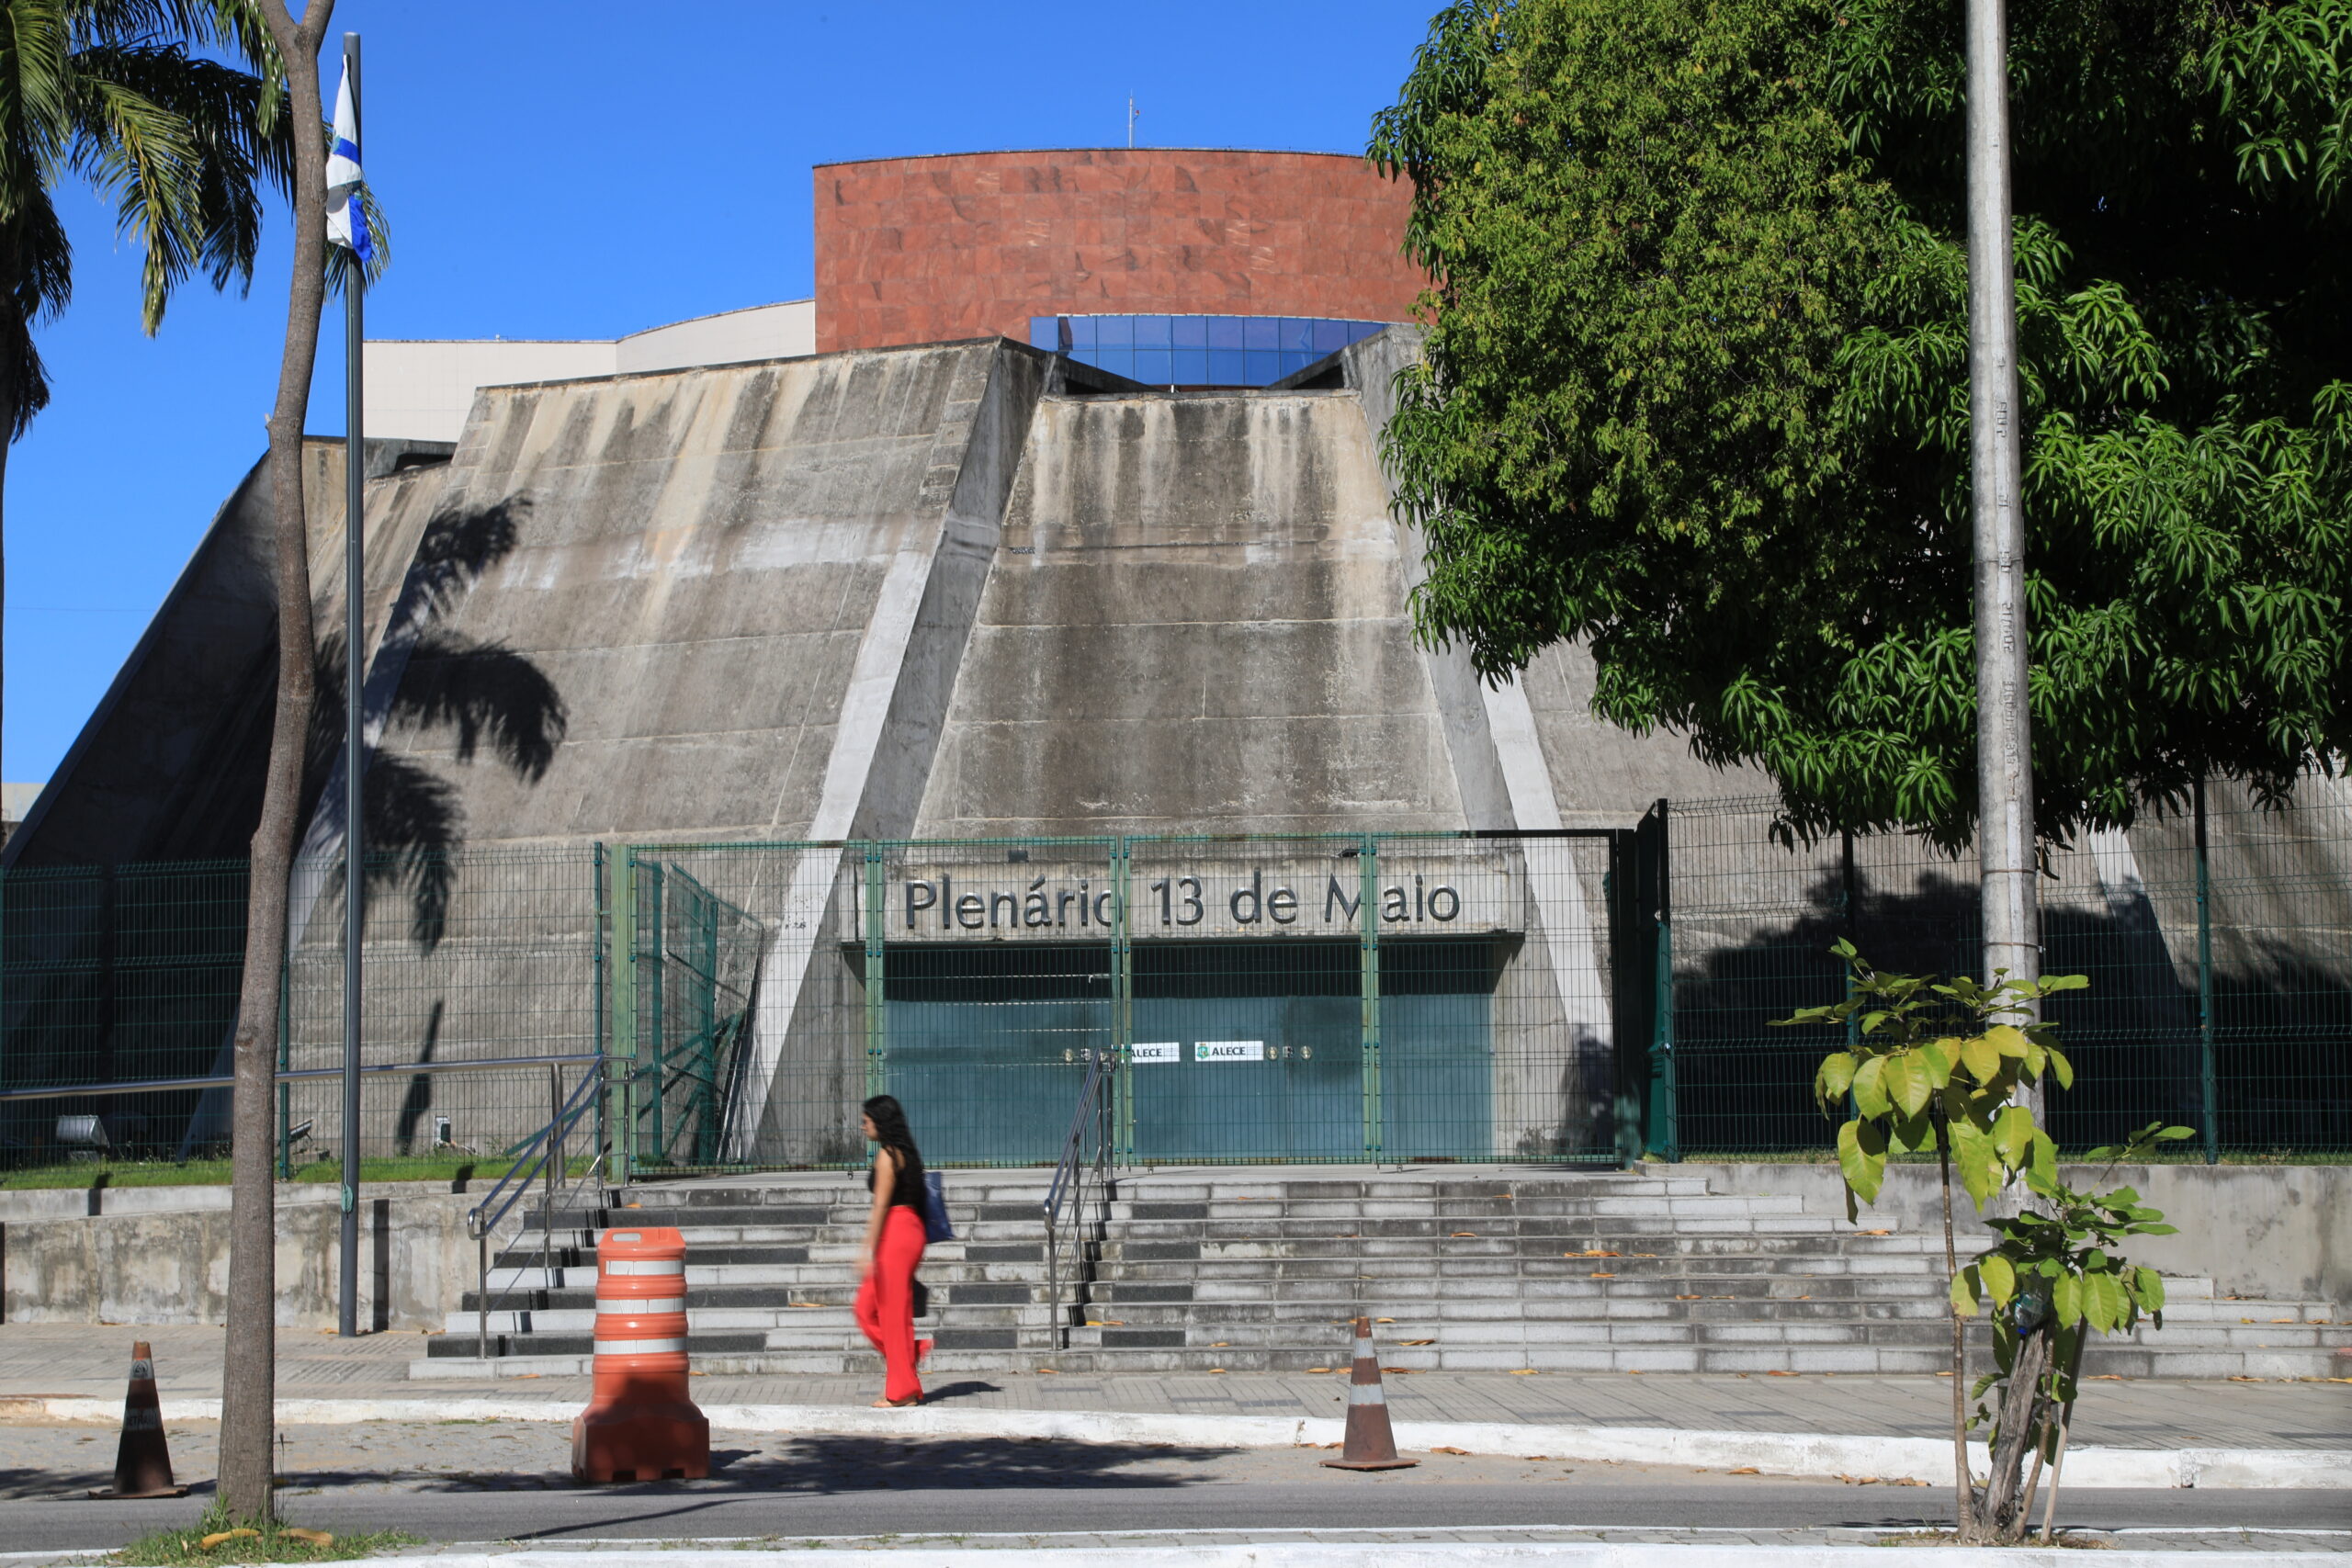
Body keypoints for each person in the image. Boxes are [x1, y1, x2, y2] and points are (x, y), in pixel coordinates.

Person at [854, 1094, 932, 1407]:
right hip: (908, 1230)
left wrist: (866, 1249)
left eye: (866, 1121)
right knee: (866, 1310)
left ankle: (901, 1391)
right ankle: (909, 1356)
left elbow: (881, 1206)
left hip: (896, 1233)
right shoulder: (906, 1154)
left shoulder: (888, 1156)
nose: (863, 1126)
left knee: (892, 1316)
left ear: (880, 1122)